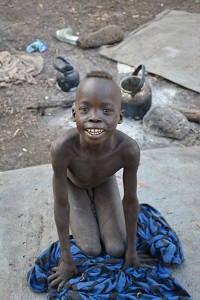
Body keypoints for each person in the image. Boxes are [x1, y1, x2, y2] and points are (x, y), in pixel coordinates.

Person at [48, 70, 153, 292]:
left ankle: (98, 200)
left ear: (120, 117)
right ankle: (87, 201)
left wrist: (131, 251)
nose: (95, 117)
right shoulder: (62, 148)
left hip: (105, 182)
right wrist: (67, 259)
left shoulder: (129, 150)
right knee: (89, 248)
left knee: (116, 248)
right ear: (74, 113)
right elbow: (60, 203)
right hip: (74, 185)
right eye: (85, 110)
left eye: (106, 110)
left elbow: (131, 201)